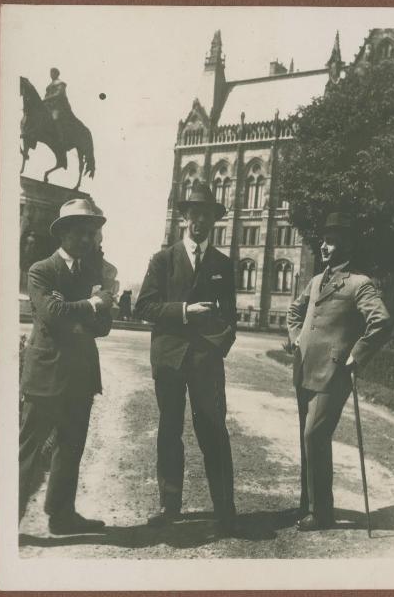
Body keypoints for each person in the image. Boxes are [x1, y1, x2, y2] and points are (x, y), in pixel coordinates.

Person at [134, 183, 238, 536]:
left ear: (214, 219)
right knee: (169, 430)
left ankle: (225, 509)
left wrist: (217, 348)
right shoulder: (163, 259)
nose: (200, 220)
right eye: (195, 213)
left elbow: (231, 319)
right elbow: (144, 306)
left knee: (213, 430)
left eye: (207, 214)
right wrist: (184, 311)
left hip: (206, 362)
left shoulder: (222, 264)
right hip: (170, 360)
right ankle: (169, 506)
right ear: (185, 217)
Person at [287, 212, 392, 531]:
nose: (324, 246)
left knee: (314, 434)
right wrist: (296, 339)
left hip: (333, 374)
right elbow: (295, 310)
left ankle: (320, 513)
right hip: (304, 367)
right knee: (309, 440)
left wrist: (356, 355)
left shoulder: (360, 284)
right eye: (323, 240)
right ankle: (309, 504)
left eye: (331, 241)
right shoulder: (317, 280)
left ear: (345, 244)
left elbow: (382, 322)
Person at [19, 198, 114, 534]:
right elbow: (53, 315)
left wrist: (80, 313)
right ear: (63, 234)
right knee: (29, 453)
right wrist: (90, 304)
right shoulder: (41, 270)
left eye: (91, 232)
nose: (88, 239)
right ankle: (5, 523)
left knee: (71, 448)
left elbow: (104, 326)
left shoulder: (91, 273)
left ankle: (61, 516)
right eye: (81, 232)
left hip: (80, 376)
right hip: (46, 377)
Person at [43, 67, 71, 146]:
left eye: (53, 73)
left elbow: (58, 94)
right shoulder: (49, 86)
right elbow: (46, 95)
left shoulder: (60, 83)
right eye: (50, 73)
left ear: (56, 74)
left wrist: (46, 99)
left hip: (59, 106)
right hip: (50, 106)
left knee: (55, 117)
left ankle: (61, 138)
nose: (51, 74)